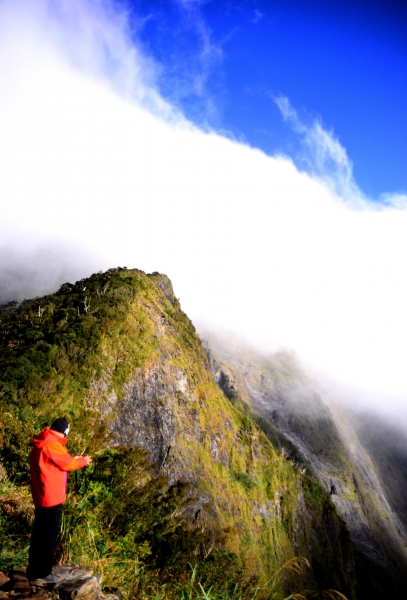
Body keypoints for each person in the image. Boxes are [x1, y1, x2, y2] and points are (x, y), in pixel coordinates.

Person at [26, 417, 92, 583]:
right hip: (51, 496)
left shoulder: (44, 441)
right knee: (48, 535)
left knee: (40, 532)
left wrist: (73, 459)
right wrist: (83, 461)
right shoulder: (52, 444)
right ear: (65, 432)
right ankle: (42, 572)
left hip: (42, 494)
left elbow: (59, 461)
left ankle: (34, 569)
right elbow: (67, 464)